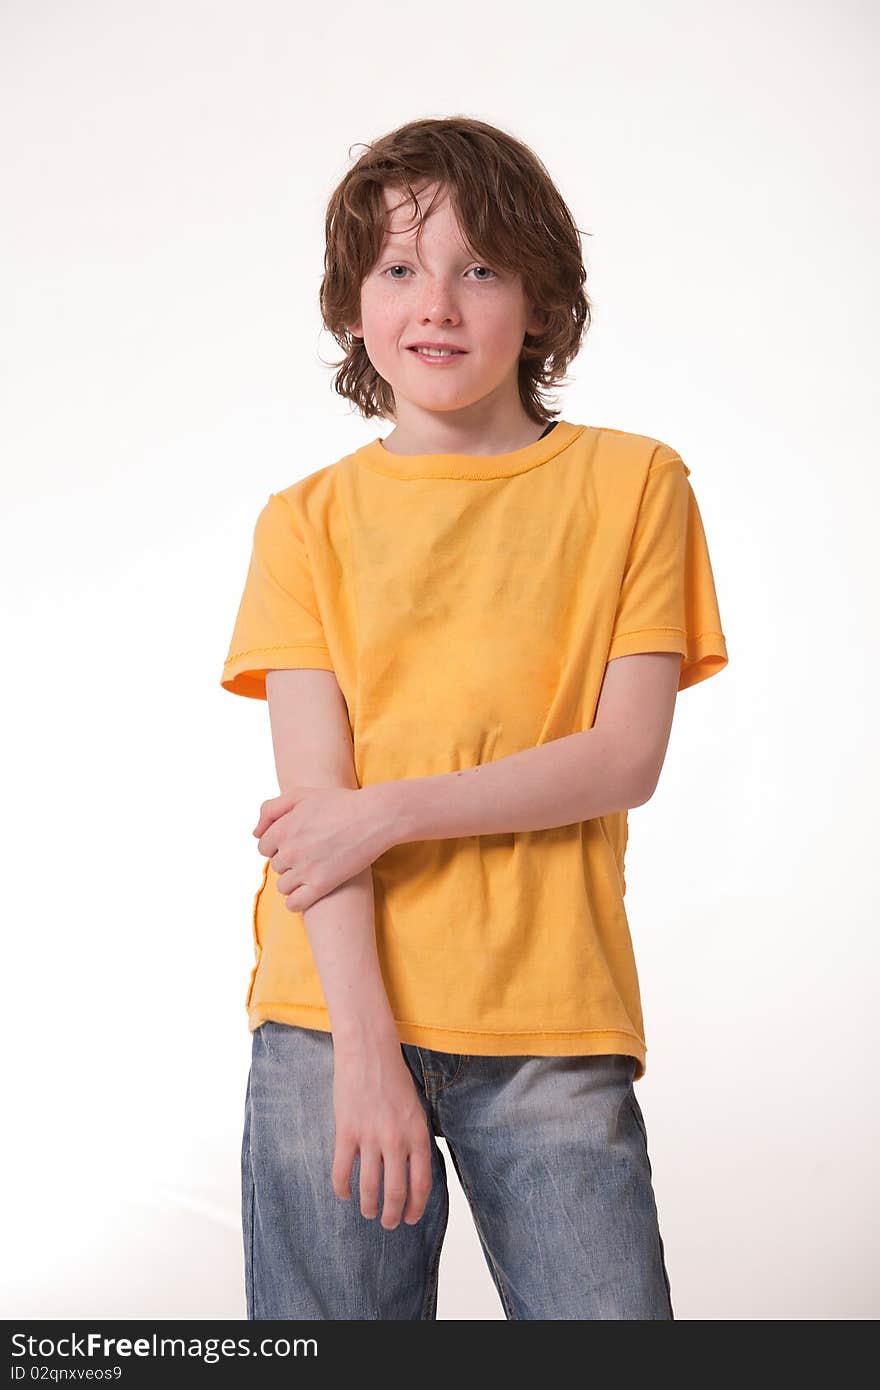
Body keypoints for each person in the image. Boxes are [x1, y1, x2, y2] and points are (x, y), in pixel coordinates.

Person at [219, 115, 729, 1320]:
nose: (435, 302)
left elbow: (623, 757)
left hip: (549, 1016)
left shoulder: (633, 484)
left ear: (541, 303)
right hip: (326, 1023)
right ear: (353, 306)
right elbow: (311, 823)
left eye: (479, 266)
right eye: (398, 268)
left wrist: (387, 812)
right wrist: (364, 1052)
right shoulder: (303, 523)